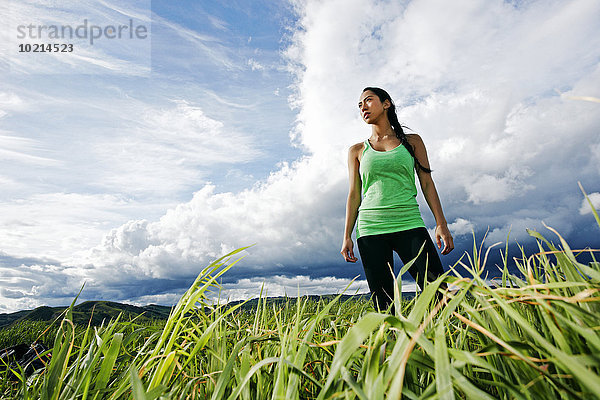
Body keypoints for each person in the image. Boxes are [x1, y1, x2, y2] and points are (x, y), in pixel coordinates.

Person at [341, 87, 454, 311]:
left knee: (438, 293)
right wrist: (347, 235)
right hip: (370, 229)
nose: (363, 106)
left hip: (409, 222)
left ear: (386, 104)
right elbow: (354, 194)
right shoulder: (356, 150)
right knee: (385, 304)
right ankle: (395, 345)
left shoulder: (412, 142)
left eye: (368, 100)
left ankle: (448, 343)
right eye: (359, 105)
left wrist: (441, 223)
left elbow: (427, 183)